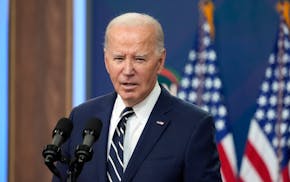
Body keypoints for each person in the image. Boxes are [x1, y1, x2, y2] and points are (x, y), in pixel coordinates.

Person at [53, 12, 222, 182]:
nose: (127, 71)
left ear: (160, 61)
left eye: (139, 59)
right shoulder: (82, 117)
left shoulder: (193, 125)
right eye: (118, 58)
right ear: (106, 61)